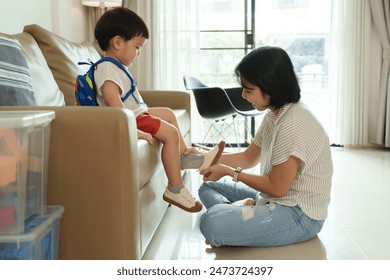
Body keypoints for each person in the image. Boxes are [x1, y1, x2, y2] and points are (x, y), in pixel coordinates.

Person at [198, 46, 333, 247]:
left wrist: (228, 171)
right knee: (208, 187)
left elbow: (277, 188)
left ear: (271, 87)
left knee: (210, 222)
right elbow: (248, 158)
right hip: (273, 200)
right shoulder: (274, 114)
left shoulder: (293, 122)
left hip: (299, 214)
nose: (244, 95)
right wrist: (204, 156)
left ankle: (234, 217)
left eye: (249, 90)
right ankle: (238, 213)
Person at [93, 7, 225, 213]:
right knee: (170, 133)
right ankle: (175, 188)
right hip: (131, 119)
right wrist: (131, 129)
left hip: (136, 115)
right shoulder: (107, 69)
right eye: (137, 47)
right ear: (117, 42)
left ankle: (185, 154)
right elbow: (113, 102)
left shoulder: (114, 66)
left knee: (169, 113)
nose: (138, 54)